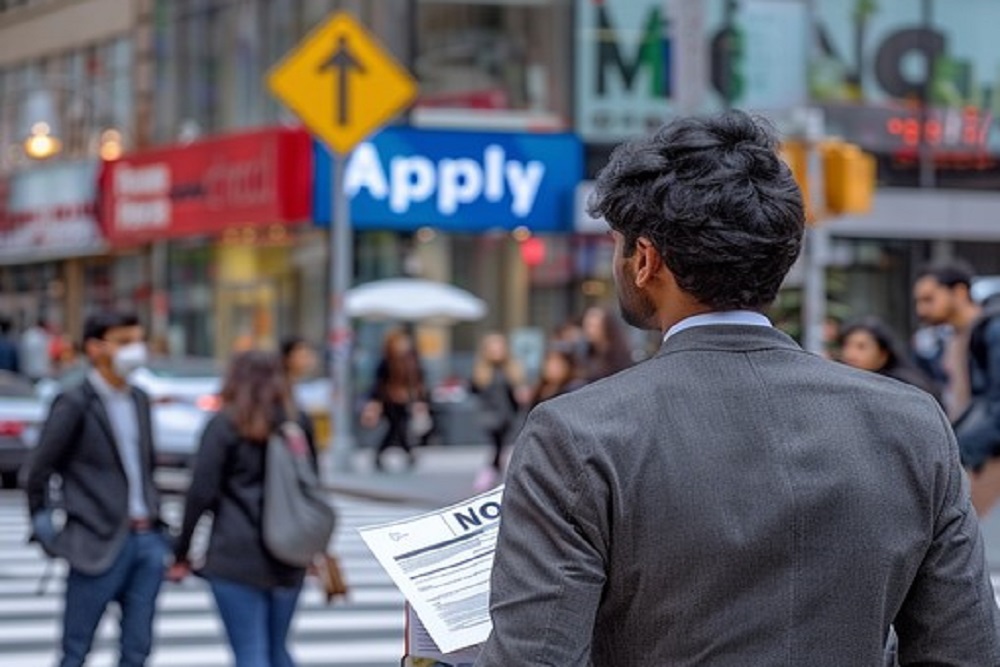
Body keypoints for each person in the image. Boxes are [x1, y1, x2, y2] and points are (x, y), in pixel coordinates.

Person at [475, 111, 1000, 666]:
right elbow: (966, 652)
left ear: (646, 259)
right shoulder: (912, 423)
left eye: (619, 245)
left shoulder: (576, 434)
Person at [24, 311, 166, 667]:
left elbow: (146, 468)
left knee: (137, 649)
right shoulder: (74, 402)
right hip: (94, 540)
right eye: (124, 341)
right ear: (95, 347)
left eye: (137, 340)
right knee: (76, 649)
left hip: (146, 540)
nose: (135, 349)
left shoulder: (140, 400)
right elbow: (38, 469)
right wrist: (43, 523)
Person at [168, 350, 316, 667]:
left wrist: (182, 552)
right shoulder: (296, 423)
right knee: (278, 649)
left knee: (249, 652)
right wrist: (314, 548)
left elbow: (200, 493)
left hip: (235, 552)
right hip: (288, 553)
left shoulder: (224, 424)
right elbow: (311, 487)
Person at [913, 260, 1000, 514]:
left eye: (929, 299)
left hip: (984, 463)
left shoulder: (992, 331)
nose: (921, 309)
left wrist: (956, 453)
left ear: (959, 292)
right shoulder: (948, 339)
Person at [360, 328, 429, 471]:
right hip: (389, 402)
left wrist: (419, 399)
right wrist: (376, 403)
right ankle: (406, 454)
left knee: (398, 428)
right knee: (397, 428)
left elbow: (419, 381)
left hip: (406, 400)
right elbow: (379, 384)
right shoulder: (386, 362)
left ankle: (394, 454)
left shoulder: (411, 361)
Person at [470, 332, 527, 490]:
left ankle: (495, 474)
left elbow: (518, 391)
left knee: (504, 447)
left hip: (510, 415)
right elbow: (475, 390)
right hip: (490, 416)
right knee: (497, 447)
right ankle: (492, 474)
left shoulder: (512, 369)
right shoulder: (482, 371)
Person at [838, 316, 941, 400]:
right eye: (846, 346)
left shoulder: (903, 387)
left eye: (861, 347)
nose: (850, 354)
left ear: (883, 355)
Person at [580, 305, 632, 382]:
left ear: (606, 326)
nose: (588, 330)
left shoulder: (618, 355)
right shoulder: (587, 352)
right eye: (586, 325)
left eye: (592, 326)